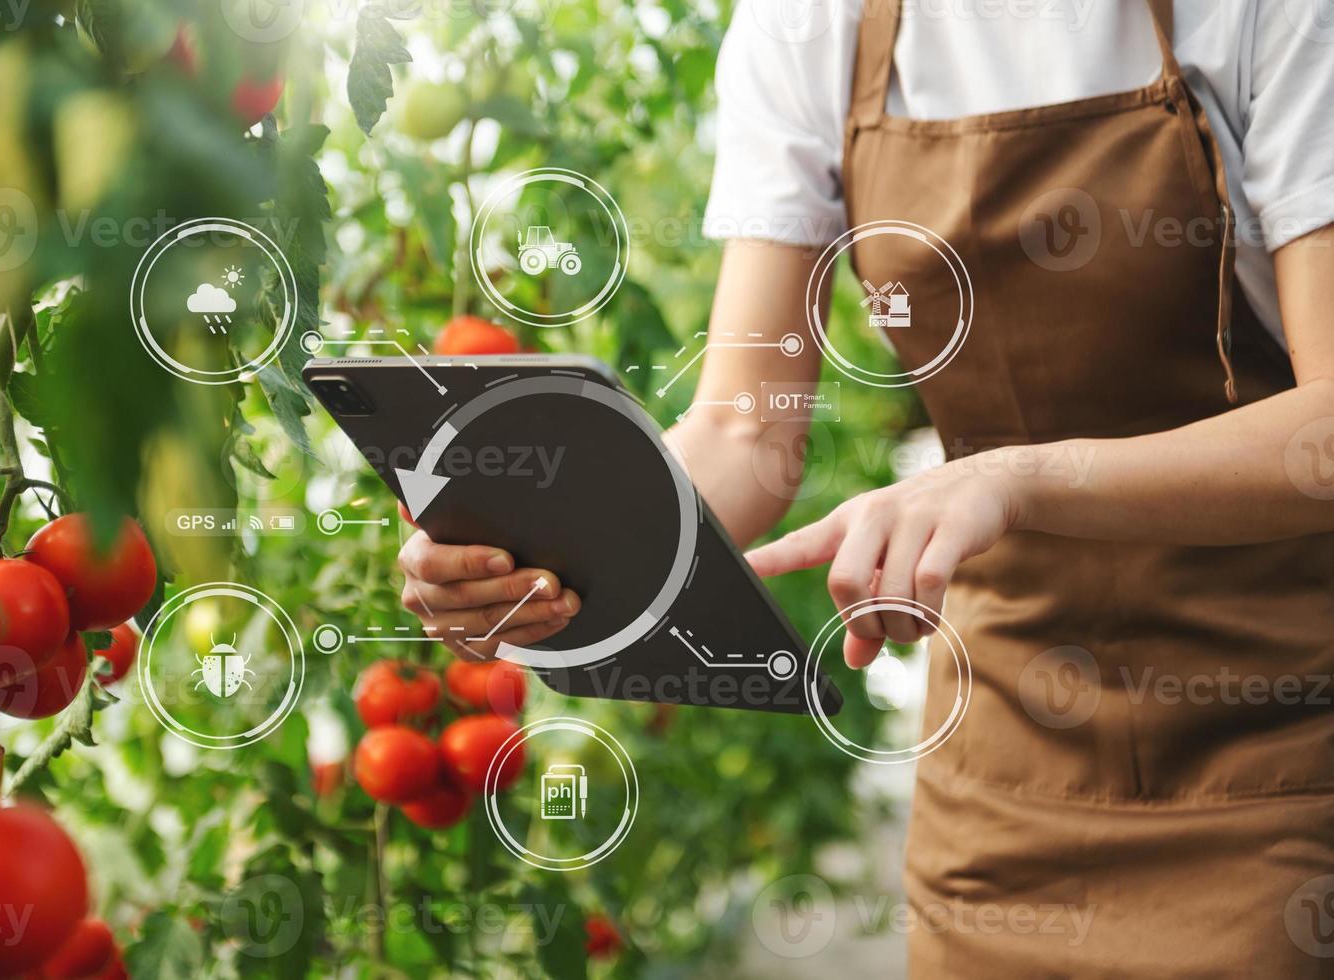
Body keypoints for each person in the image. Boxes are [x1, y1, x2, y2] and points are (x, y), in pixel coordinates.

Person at [397, 0, 1334, 973]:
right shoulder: (809, 25)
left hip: (1280, 749)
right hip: (1001, 766)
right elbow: (744, 428)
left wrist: (1011, 478)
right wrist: (535, 540)